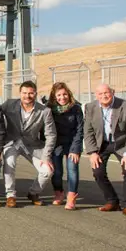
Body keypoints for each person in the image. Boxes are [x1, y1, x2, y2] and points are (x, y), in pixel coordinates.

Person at [84, 84, 126, 219]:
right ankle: (112, 201)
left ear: (113, 92)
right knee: (97, 171)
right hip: (101, 144)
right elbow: (88, 131)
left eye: (106, 93)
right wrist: (92, 152)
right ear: (96, 95)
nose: (104, 96)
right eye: (100, 94)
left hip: (122, 144)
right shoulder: (90, 107)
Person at [1, 81, 56, 208]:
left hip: (32, 145)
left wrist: (46, 157)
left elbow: (51, 135)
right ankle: (10, 195)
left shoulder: (44, 111)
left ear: (36, 94)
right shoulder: (9, 104)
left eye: (31, 93)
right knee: (9, 162)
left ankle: (33, 193)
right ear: (20, 93)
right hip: (12, 142)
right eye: (24, 93)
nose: (27, 96)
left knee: (47, 171)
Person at [46, 82, 83, 210]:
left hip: (72, 142)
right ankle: (58, 193)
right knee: (57, 172)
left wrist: (76, 149)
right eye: (59, 95)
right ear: (54, 96)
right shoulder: (49, 109)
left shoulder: (76, 108)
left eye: (65, 94)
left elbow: (79, 130)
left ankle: (71, 196)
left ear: (69, 94)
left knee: (72, 170)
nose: (62, 97)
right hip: (56, 144)